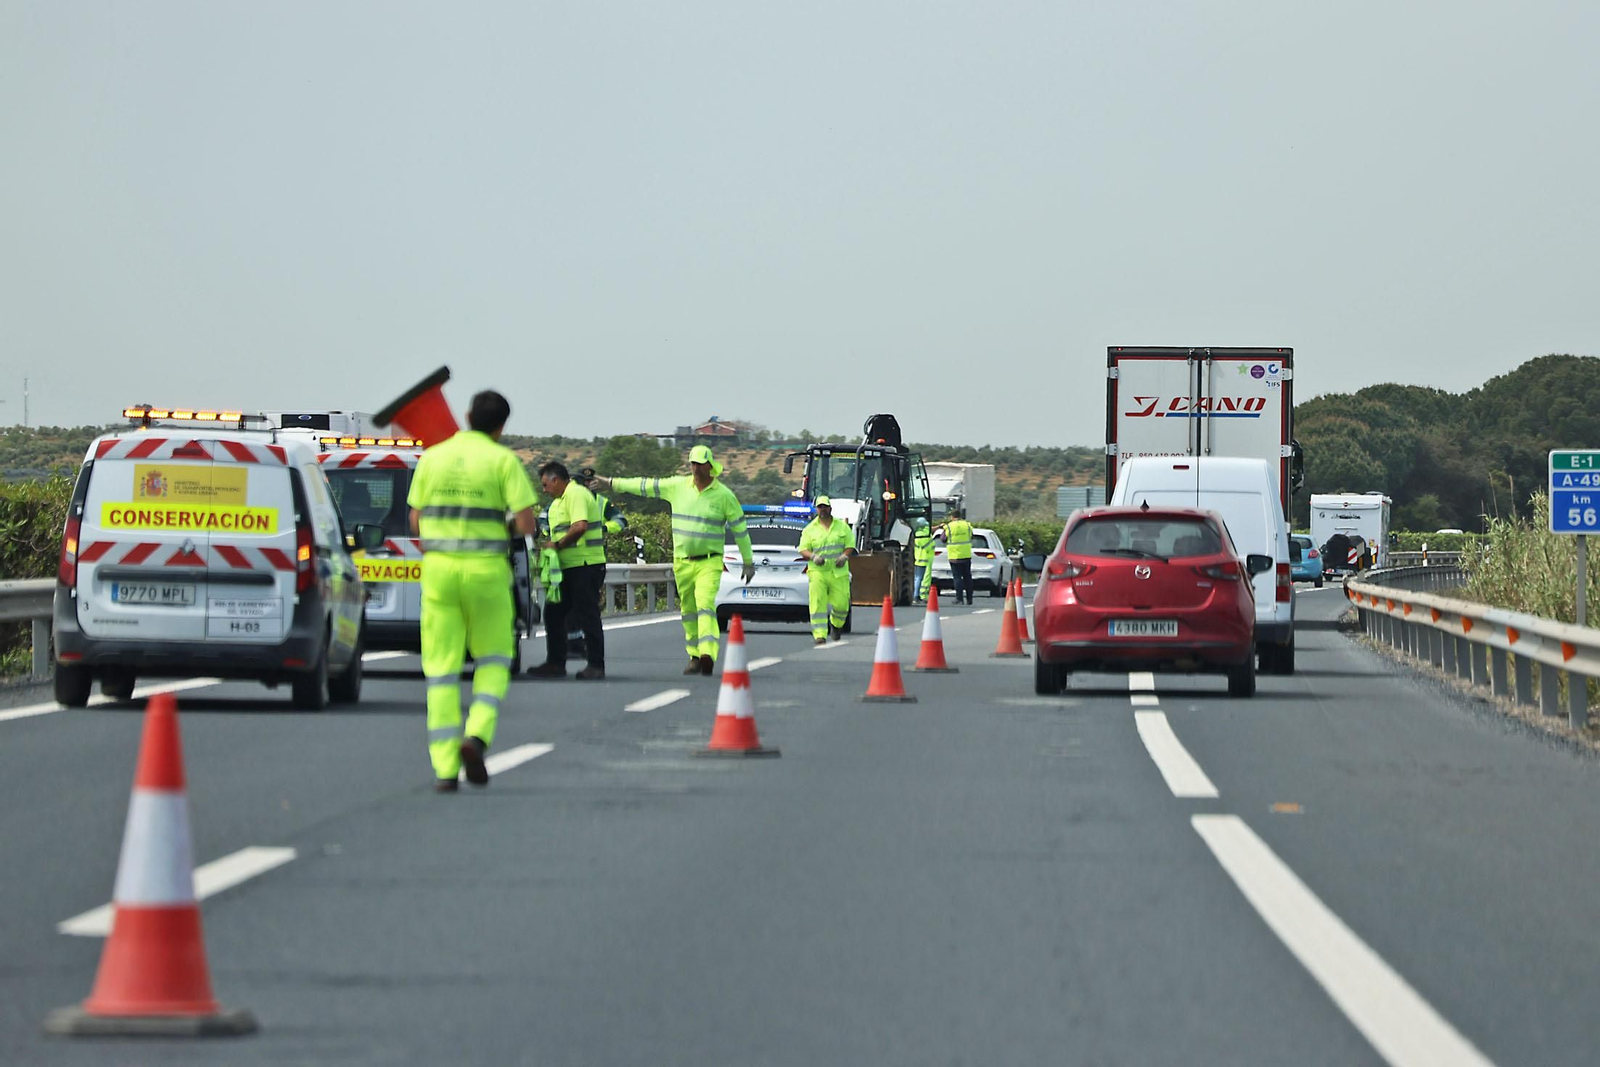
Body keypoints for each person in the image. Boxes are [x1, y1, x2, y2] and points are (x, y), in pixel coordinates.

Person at [408, 390, 538, 793]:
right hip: (486, 575)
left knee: (442, 672)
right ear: (502, 426)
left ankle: (445, 770)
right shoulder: (503, 461)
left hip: (439, 576)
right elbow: (527, 523)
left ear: (467, 415)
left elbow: (415, 520)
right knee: (495, 660)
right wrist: (503, 528)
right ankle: (477, 736)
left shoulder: (433, 457)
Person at [591, 445, 754, 675]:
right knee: (688, 609)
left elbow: (740, 530)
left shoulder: (724, 496)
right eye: (693, 464)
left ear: (710, 466)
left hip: (709, 561)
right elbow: (644, 485)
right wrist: (610, 483)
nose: (696, 469)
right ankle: (694, 655)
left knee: (705, 604)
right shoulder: (677, 486)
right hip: (683, 561)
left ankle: (708, 653)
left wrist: (748, 561)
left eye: (700, 464)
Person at [527, 461, 607, 680]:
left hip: (585, 565)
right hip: (568, 567)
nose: (544, 490)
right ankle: (555, 663)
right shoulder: (556, 504)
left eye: (545, 484)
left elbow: (579, 526)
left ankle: (596, 665)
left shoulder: (576, 494)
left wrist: (558, 545)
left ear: (555, 479)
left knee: (587, 614)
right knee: (554, 613)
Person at [799, 496, 854, 644]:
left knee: (842, 605)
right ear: (816, 509)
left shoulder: (842, 527)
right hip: (818, 572)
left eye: (825, 507)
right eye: (820, 507)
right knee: (817, 603)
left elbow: (850, 545)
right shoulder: (809, 529)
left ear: (830, 508)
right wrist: (813, 557)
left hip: (838, 572)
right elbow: (803, 549)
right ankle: (820, 635)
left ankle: (836, 625)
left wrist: (844, 556)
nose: (822, 510)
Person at [939, 508, 975, 604]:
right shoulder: (967, 525)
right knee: (967, 577)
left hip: (954, 556)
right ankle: (969, 598)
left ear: (952, 517)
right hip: (966, 554)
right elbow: (972, 536)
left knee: (957, 577)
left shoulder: (949, 527)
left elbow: (943, 539)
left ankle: (959, 598)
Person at [911, 518, 934, 603]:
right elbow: (929, 547)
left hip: (917, 558)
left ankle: (916, 595)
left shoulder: (916, 534)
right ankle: (916, 595)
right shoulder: (925, 535)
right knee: (920, 578)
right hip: (924, 559)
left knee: (917, 578)